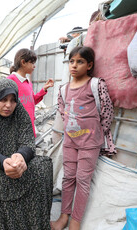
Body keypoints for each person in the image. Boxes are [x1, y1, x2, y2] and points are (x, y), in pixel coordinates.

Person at [0, 78, 53, 230]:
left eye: (12, 100)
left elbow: (28, 142)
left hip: (18, 160)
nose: (8, 105)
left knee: (43, 167)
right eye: (3, 99)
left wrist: (22, 156)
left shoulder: (21, 114)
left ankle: (36, 224)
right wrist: (4, 162)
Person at [51, 46, 116, 230]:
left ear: (89, 65)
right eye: (72, 61)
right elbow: (63, 112)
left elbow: (107, 112)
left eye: (80, 62)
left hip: (90, 143)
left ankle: (75, 222)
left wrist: (97, 134)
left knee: (82, 180)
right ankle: (64, 217)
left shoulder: (96, 84)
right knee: (68, 177)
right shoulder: (64, 89)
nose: (74, 65)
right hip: (70, 142)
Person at [7, 48, 54, 137]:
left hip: (29, 127)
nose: (34, 66)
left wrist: (43, 90)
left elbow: (31, 101)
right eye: (32, 63)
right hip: (16, 130)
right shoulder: (10, 81)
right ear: (23, 62)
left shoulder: (27, 82)